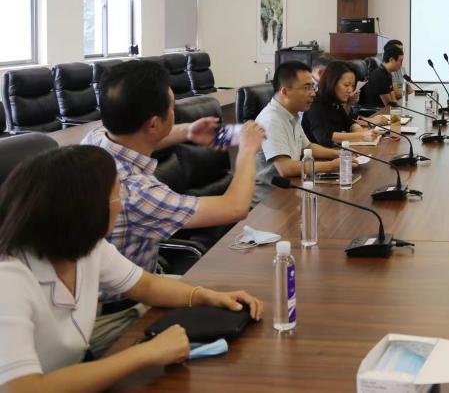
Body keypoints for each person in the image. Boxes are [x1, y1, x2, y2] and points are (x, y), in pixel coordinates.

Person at [0, 146, 263, 391]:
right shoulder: (8, 278)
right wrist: (147, 353)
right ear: (88, 209)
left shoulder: (87, 247)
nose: (122, 201)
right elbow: (22, 388)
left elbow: (145, 286)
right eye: (117, 193)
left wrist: (207, 296)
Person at [81, 60, 264, 349]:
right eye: (171, 107)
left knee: (232, 297)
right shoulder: (137, 192)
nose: (174, 111)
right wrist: (248, 150)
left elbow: (139, 138)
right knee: (242, 319)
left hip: (140, 286)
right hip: (119, 315)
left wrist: (187, 131)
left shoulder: (96, 142)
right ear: (154, 123)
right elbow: (234, 207)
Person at [252, 61, 342, 206]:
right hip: (268, 202)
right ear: (285, 92)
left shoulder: (290, 114)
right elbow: (286, 168)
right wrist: (331, 165)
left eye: (312, 87)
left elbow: (308, 147)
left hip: (289, 190)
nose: (313, 93)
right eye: (306, 88)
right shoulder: (271, 120)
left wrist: (339, 154)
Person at [302, 61, 381, 147]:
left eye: (352, 86)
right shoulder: (316, 104)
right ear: (332, 82)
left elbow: (348, 122)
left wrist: (358, 129)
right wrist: (362, 135)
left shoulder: (334, 101)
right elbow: (325, 136)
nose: (350, 90)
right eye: (346, 85)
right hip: (322, 154)